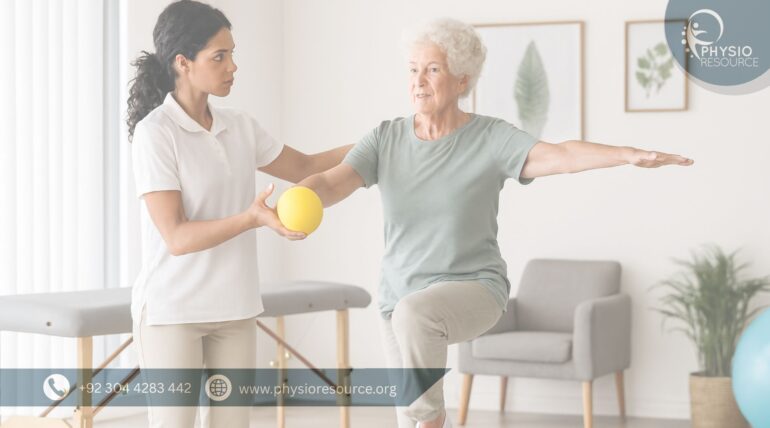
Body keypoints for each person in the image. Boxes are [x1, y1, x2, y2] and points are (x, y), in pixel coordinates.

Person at [293, 18, 693, 428]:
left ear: (462, 80)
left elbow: (562, 155)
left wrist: (626, 153)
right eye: (413, 69)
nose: (418, 81)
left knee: (420, 387)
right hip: (397, 301)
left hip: (474, 289)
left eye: (432, 69)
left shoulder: (490, 138)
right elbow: (328, 182)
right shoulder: (385, 138)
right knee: (406, 400)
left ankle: (435, 420)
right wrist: (293, 203)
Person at [126, 1, 350, 426]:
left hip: (235, 309)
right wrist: (251, 218)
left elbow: (304, 168)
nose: (233, 66)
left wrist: (378, 141)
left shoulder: (240, 125)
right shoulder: (156, 134)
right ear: (183, 62)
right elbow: (177, 237)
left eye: (232, 53)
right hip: (173, 314)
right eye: (219, 56)